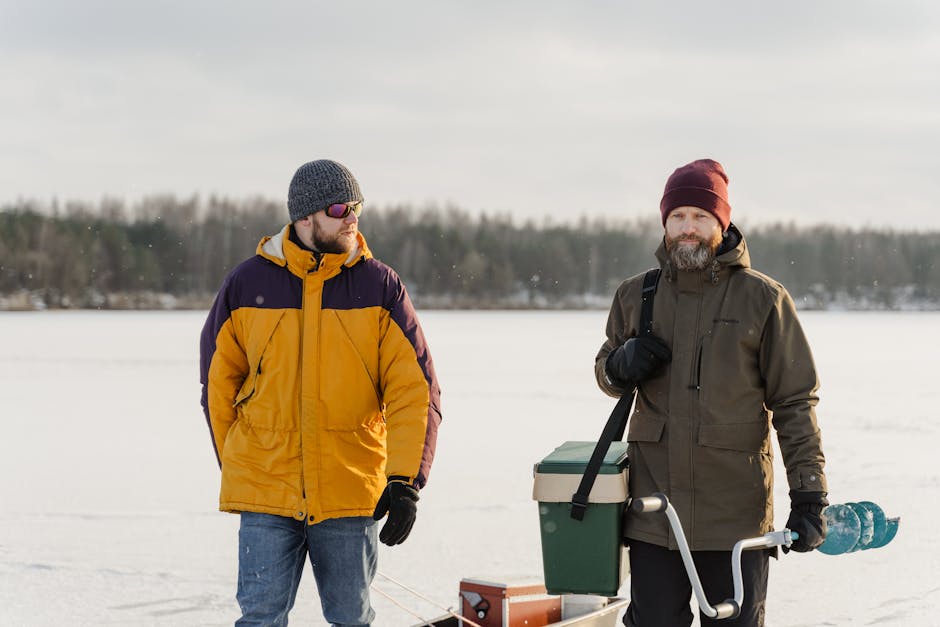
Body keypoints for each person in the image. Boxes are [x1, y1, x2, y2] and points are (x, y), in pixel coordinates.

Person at [199, 159, 442, 626]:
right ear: (304, 217)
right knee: (260, 618)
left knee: (352, 618)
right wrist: (243, 462)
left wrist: (404, 480)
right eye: (340, 207)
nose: (353, 217)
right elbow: (218, 382)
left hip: (350, 491)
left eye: (357, 206)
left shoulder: (379, 285)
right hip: (266, 489)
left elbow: (414, 389)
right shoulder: (247, 283)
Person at [594, 159, 828, 627]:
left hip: (735, 518)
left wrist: (809, 494)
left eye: (700, 217)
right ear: (664, 223)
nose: (688, 229)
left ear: (722, 223)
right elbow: (605, 370)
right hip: (655, 516)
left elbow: (795, 403)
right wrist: (620, 364)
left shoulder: (764, 300)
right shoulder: (635, 295)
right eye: (677, 217)